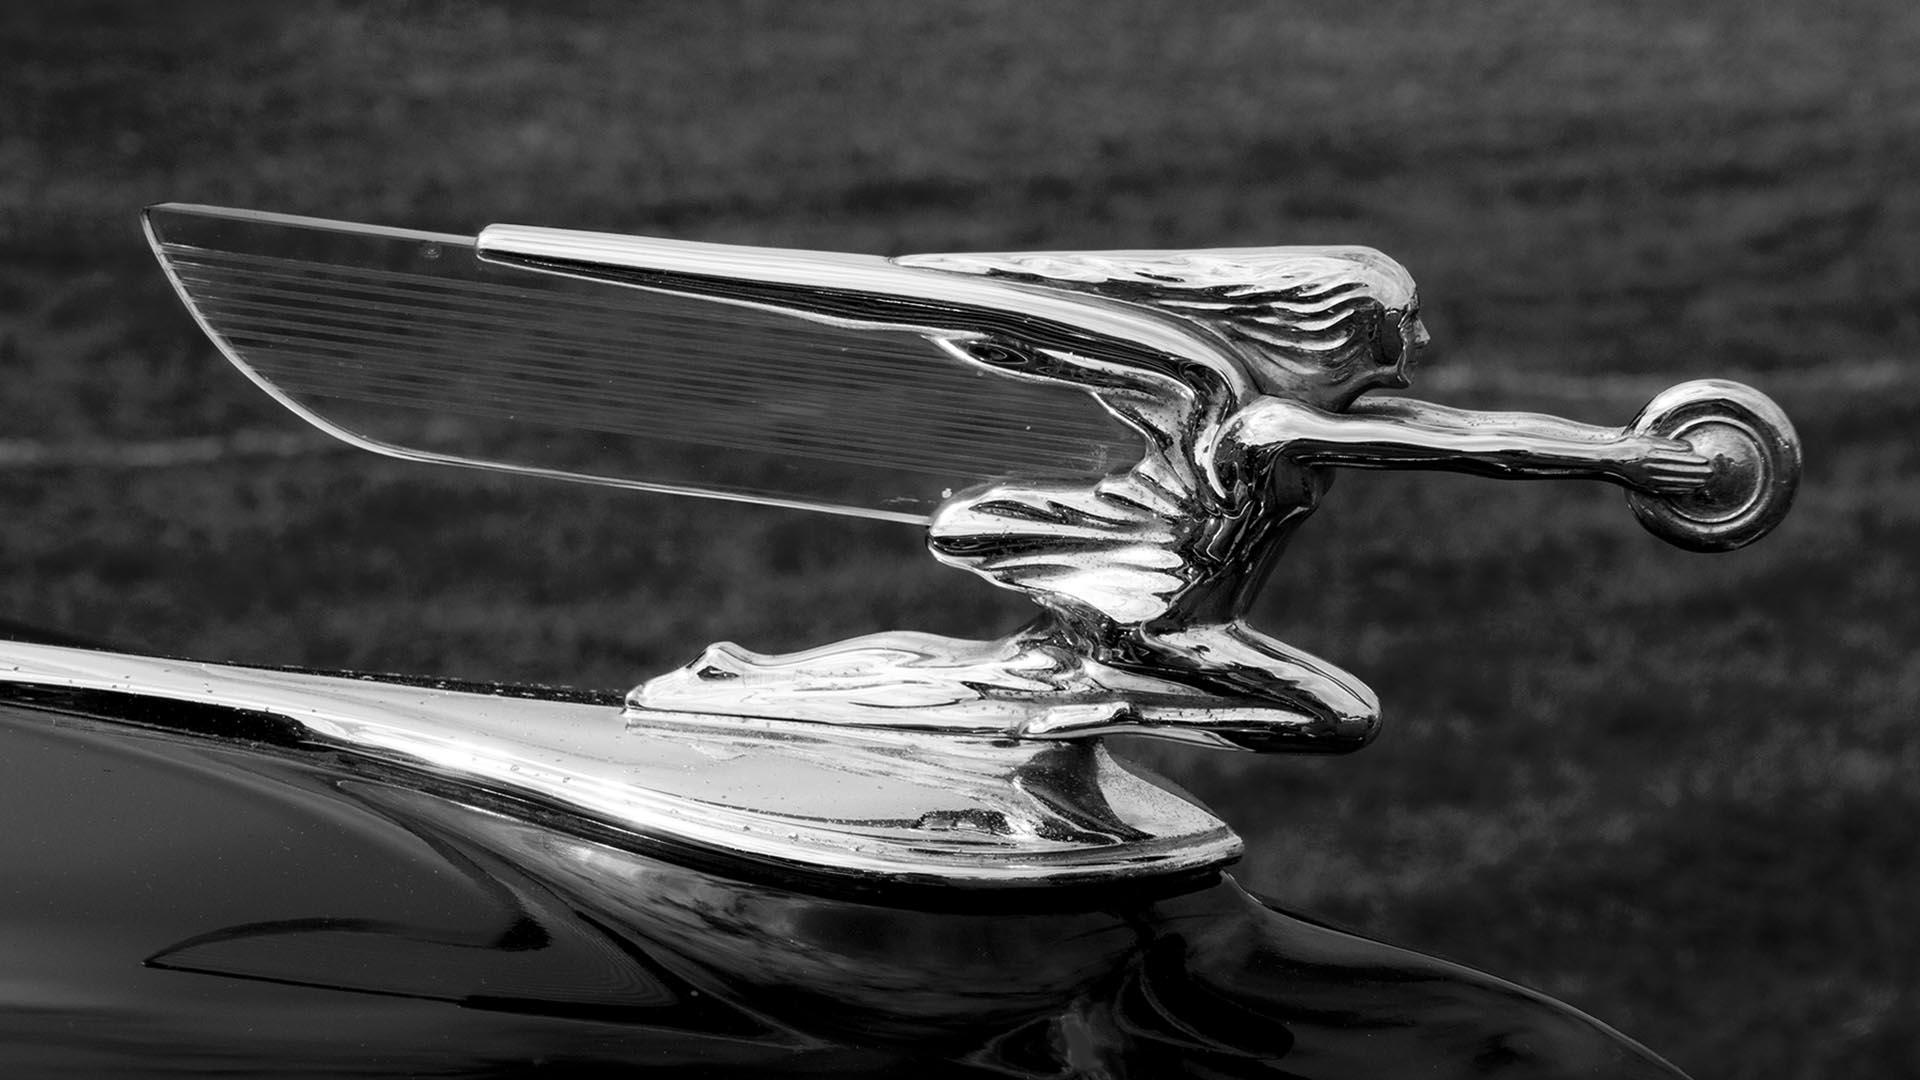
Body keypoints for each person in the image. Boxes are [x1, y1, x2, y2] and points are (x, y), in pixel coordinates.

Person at [912, 246, 1712, 751]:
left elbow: (1484, 427)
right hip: (1156, 621)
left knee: (1331, 721)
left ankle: (1065, 701)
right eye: (1406, 325)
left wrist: (1630, 455)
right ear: (1347, 335)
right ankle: (1065, 709)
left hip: (1187, 623)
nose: (1424, 344)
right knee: (1335, 720)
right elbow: (1465, 449)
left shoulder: (1295, 413)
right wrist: (1628, 459)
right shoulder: (1270, 429)